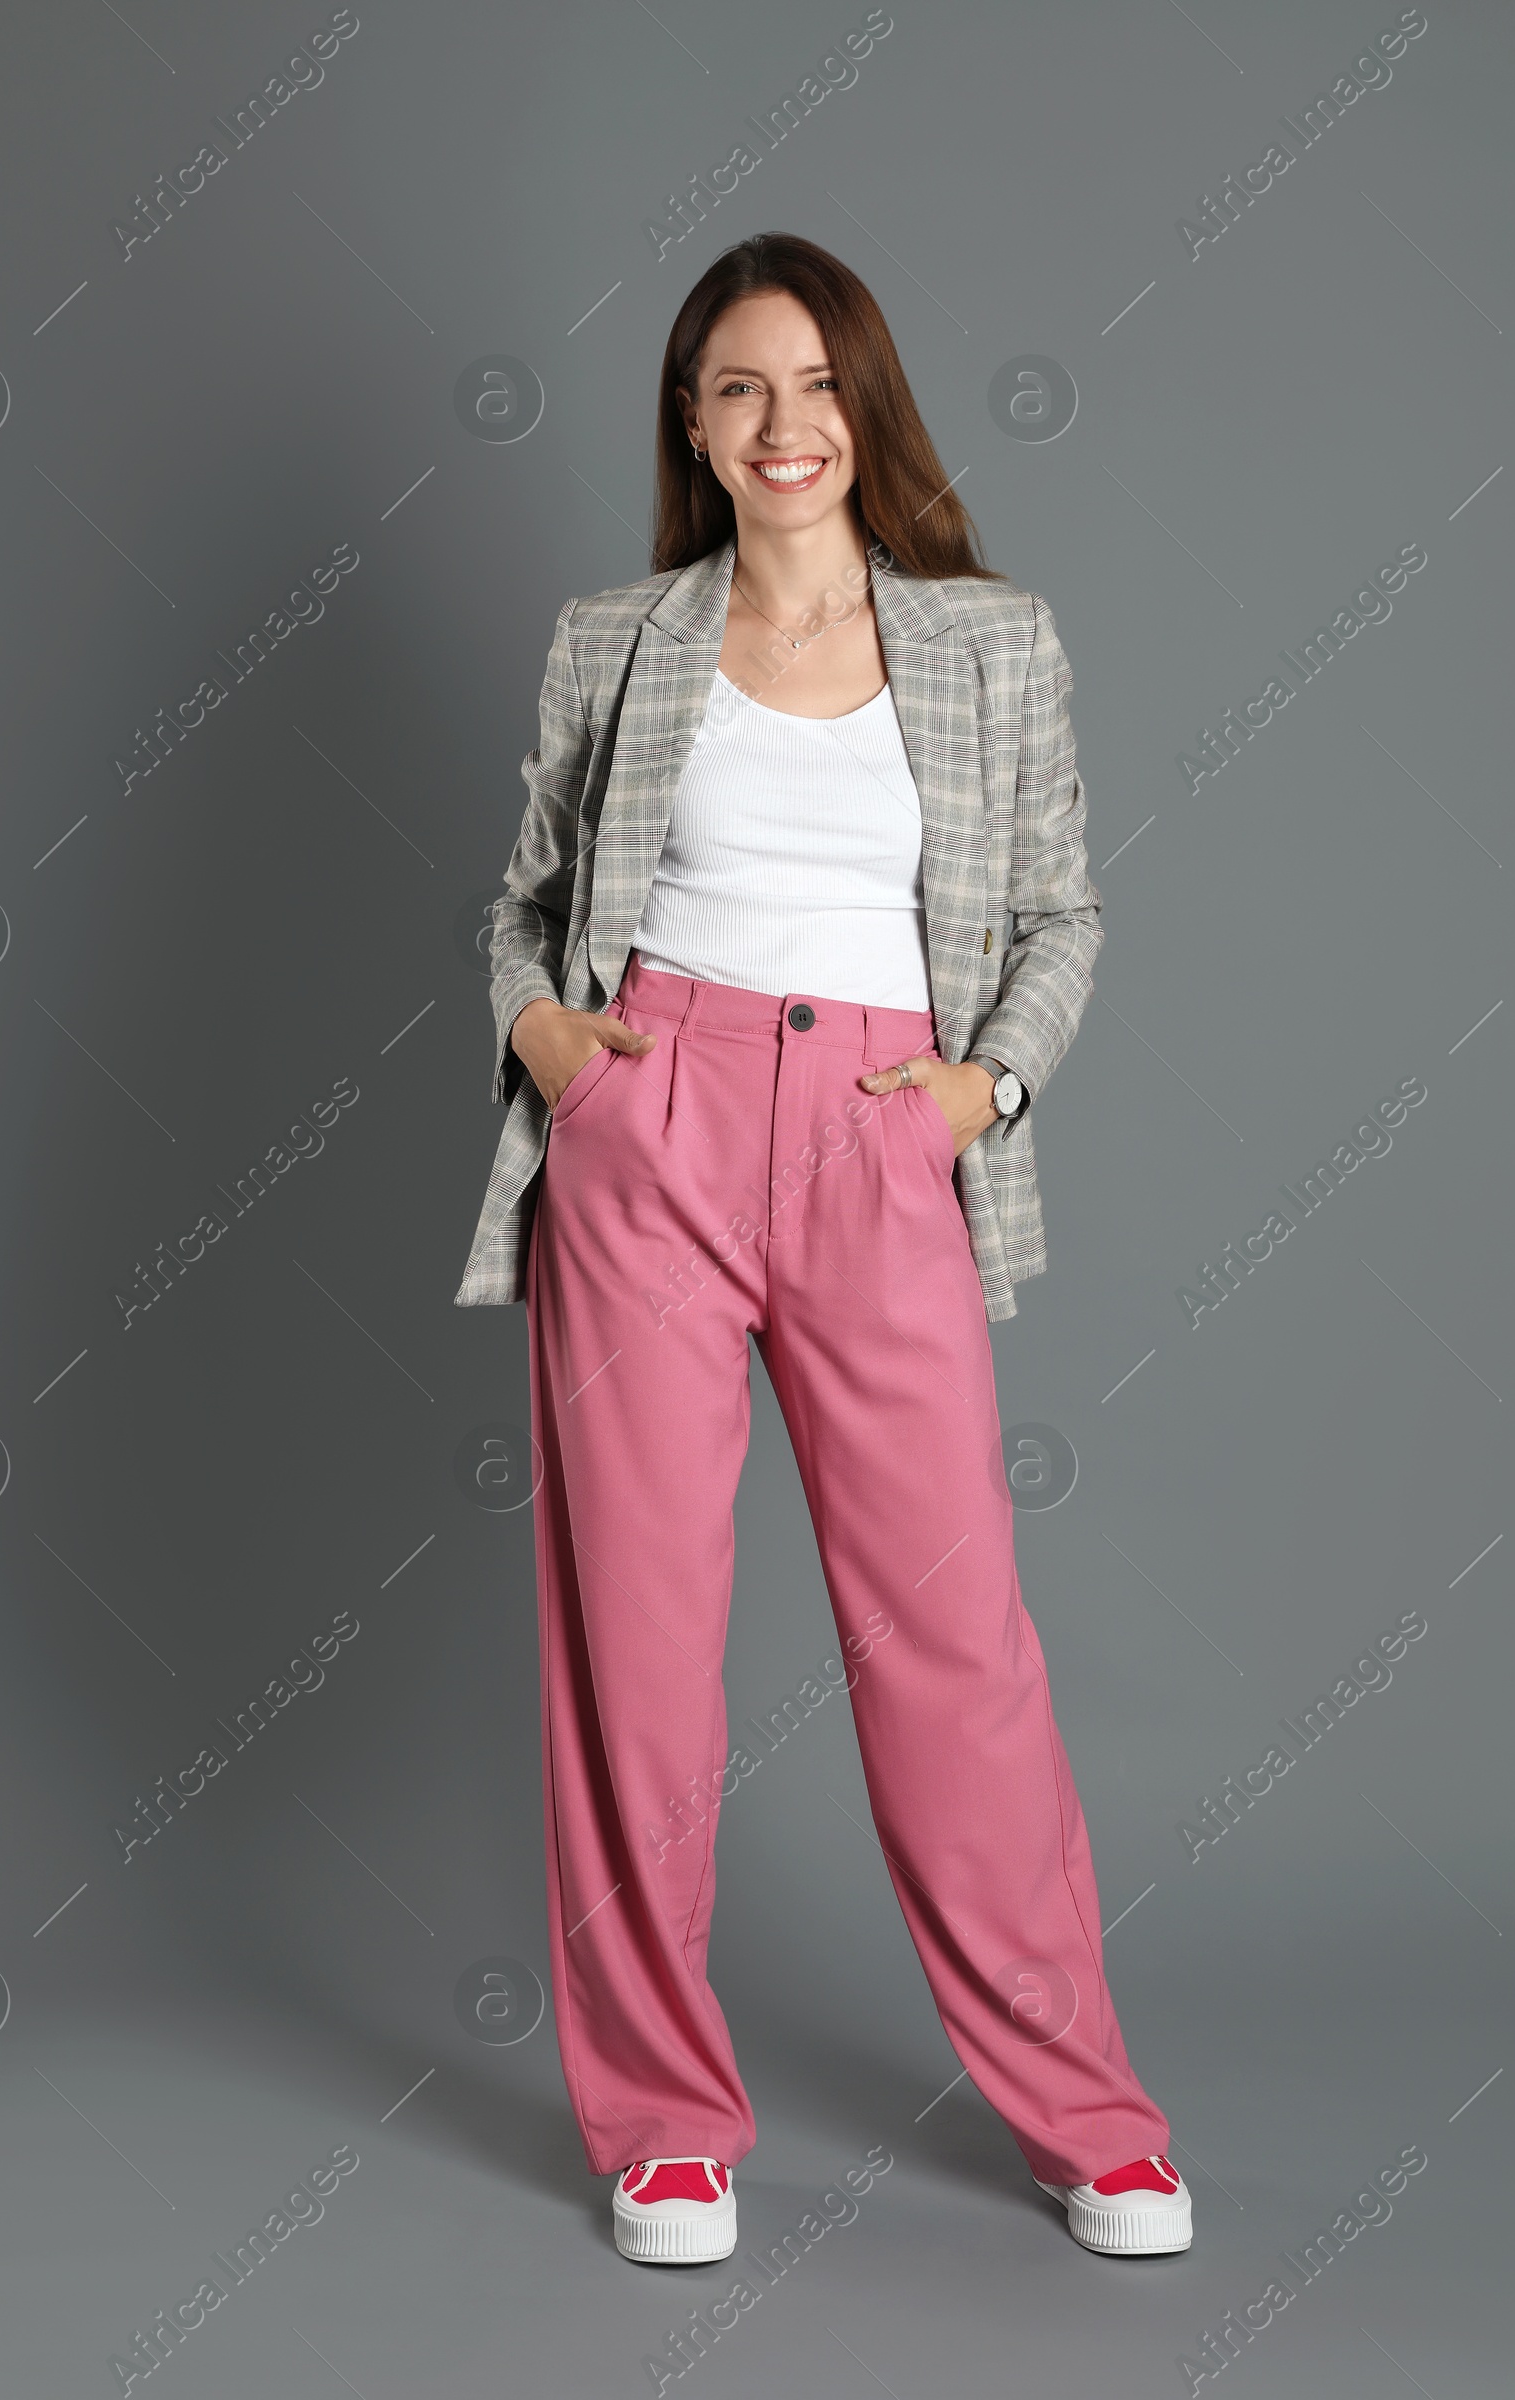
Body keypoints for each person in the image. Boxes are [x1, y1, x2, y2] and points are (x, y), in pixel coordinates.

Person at [454, 231, 1189, 2267]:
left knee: (952, 1654)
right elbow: (521, 905)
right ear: (690, 424)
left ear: (867, 405)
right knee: (636, 1650)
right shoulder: (614, 634)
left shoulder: (985, 639)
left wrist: (985, 1091)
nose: (783, 428)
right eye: (737, 390)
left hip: (883, 1145)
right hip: (650, 1129)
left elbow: (1060, 915)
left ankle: (1084, 2116)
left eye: (816, 384)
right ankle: (661, 2126)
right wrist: (547, 1049)